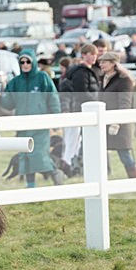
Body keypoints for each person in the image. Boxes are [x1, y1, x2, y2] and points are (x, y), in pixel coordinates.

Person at [0, 51, 63, 187]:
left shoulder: (42, 78)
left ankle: (55, 174)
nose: (25, 64)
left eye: (28, 61)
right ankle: (31, 186)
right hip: (22, 126)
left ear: (33, 62)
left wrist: (55, 120)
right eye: (22, 62)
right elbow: (10, 104)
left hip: (40, 125)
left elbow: (53, 98)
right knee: (26, 156)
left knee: (39, 154)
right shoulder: (16, 82)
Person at [58, 43, 100, 177]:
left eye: (95, 55)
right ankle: (68, 168)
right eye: (91, 54)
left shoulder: (87, 71)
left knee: (77, 141)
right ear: (84, 55)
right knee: (73, 142)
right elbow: (81, 93)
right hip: (78, 109)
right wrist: (97, 101)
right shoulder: (81, 73)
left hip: (82, 108)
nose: (94, 57)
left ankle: (73, 168)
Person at [98, 52, 136, 178]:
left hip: (118, 124)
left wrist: (117, 122)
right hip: (104, 122)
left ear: (113, 63)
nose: (101, 64)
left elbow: (125, 102)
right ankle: (102, 178)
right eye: (100, 62)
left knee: (124, 154)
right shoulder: (103, 78)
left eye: (104, 62)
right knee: (100, 152)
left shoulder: (123, 80)